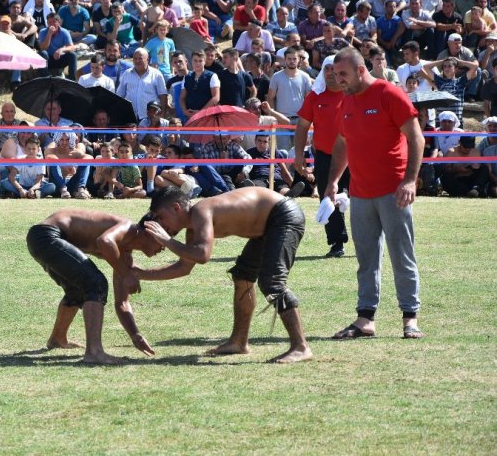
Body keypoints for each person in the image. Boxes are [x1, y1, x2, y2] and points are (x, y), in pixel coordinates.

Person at [135, 186, 313, 363]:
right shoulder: (193, 228)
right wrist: (140, 274)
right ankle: (239, 342)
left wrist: (167, 240)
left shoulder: (201, 210)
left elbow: (202, 255)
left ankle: (301, 347)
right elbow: (184, 268)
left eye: (159, 217)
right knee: (243, 275)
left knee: (272, 283)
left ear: (176, 208)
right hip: (267, 225)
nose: (160, 225)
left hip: (283, 216)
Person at [327, 47, 425, 341]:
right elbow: (343, 143)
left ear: (360, 70)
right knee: (366, 258)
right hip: (359, 193)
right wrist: (333, 181)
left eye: (343, 74)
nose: (338, 80)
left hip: (393, 191)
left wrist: (409, 181)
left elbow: (416, 137)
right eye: (335, 74)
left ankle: (410, 317)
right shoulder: (345, 102)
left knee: (401, 255)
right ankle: (365, 318)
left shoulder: (389, 93)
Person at [27, 209, 165, 364]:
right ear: (149, 232)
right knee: (96, 283)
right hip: (46, 235)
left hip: (42, 240)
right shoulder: (126, 227)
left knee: (77, 290)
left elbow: (122, 303)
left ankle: (58, 338)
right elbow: (104, 241)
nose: (165, 246)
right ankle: (94, 352)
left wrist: (135, 335)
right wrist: (126, 274)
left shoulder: (124, 256)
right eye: (163, 238)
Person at [294, 55, 349, 258]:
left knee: (363, 200)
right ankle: (337, 242)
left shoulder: (353, 94)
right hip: (325, 156)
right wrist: (299, 155)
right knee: (328, 198)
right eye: (325, 69)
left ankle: (369, 241)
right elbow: (302, 126)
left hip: (356, 155)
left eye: (332, 69)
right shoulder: (314, 96)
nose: (329, 73)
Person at [117, 48, 168, 121]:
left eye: (140, 58)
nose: (137, 61)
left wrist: (162, 114)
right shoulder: (127, 74)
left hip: (150, 118)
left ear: (147, 59)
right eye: (135, 58)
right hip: (130, 117)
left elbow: (163, 95)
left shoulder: (156, 74)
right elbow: (120, 95)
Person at [38, 13, 78, 80]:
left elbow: (72, 47)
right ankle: (46, 79)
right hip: (48, 59)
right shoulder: (43, 32)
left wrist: (61, 50)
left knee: (72, 55)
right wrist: (49, 34)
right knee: (43, 53)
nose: (51, 24)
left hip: (58, 58)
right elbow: (43, 48)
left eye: (54, 22)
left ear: (58, 22)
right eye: (49, 22)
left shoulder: (64, 32)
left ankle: (72, 79)